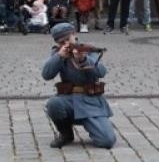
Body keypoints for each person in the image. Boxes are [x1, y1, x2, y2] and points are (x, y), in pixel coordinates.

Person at [42, 21, 116, 149]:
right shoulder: (58, 53)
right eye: (61, 42)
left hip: (90, 102)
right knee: (53, 103)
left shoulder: (88, 50)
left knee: (107, 140)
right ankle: (66, 134)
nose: (65, 44)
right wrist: (59, 57)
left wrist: (83, 59)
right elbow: (46, 75)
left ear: (74, 35)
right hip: (68, 100)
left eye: (67, 39)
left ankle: (94, 126)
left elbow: (102, 72)